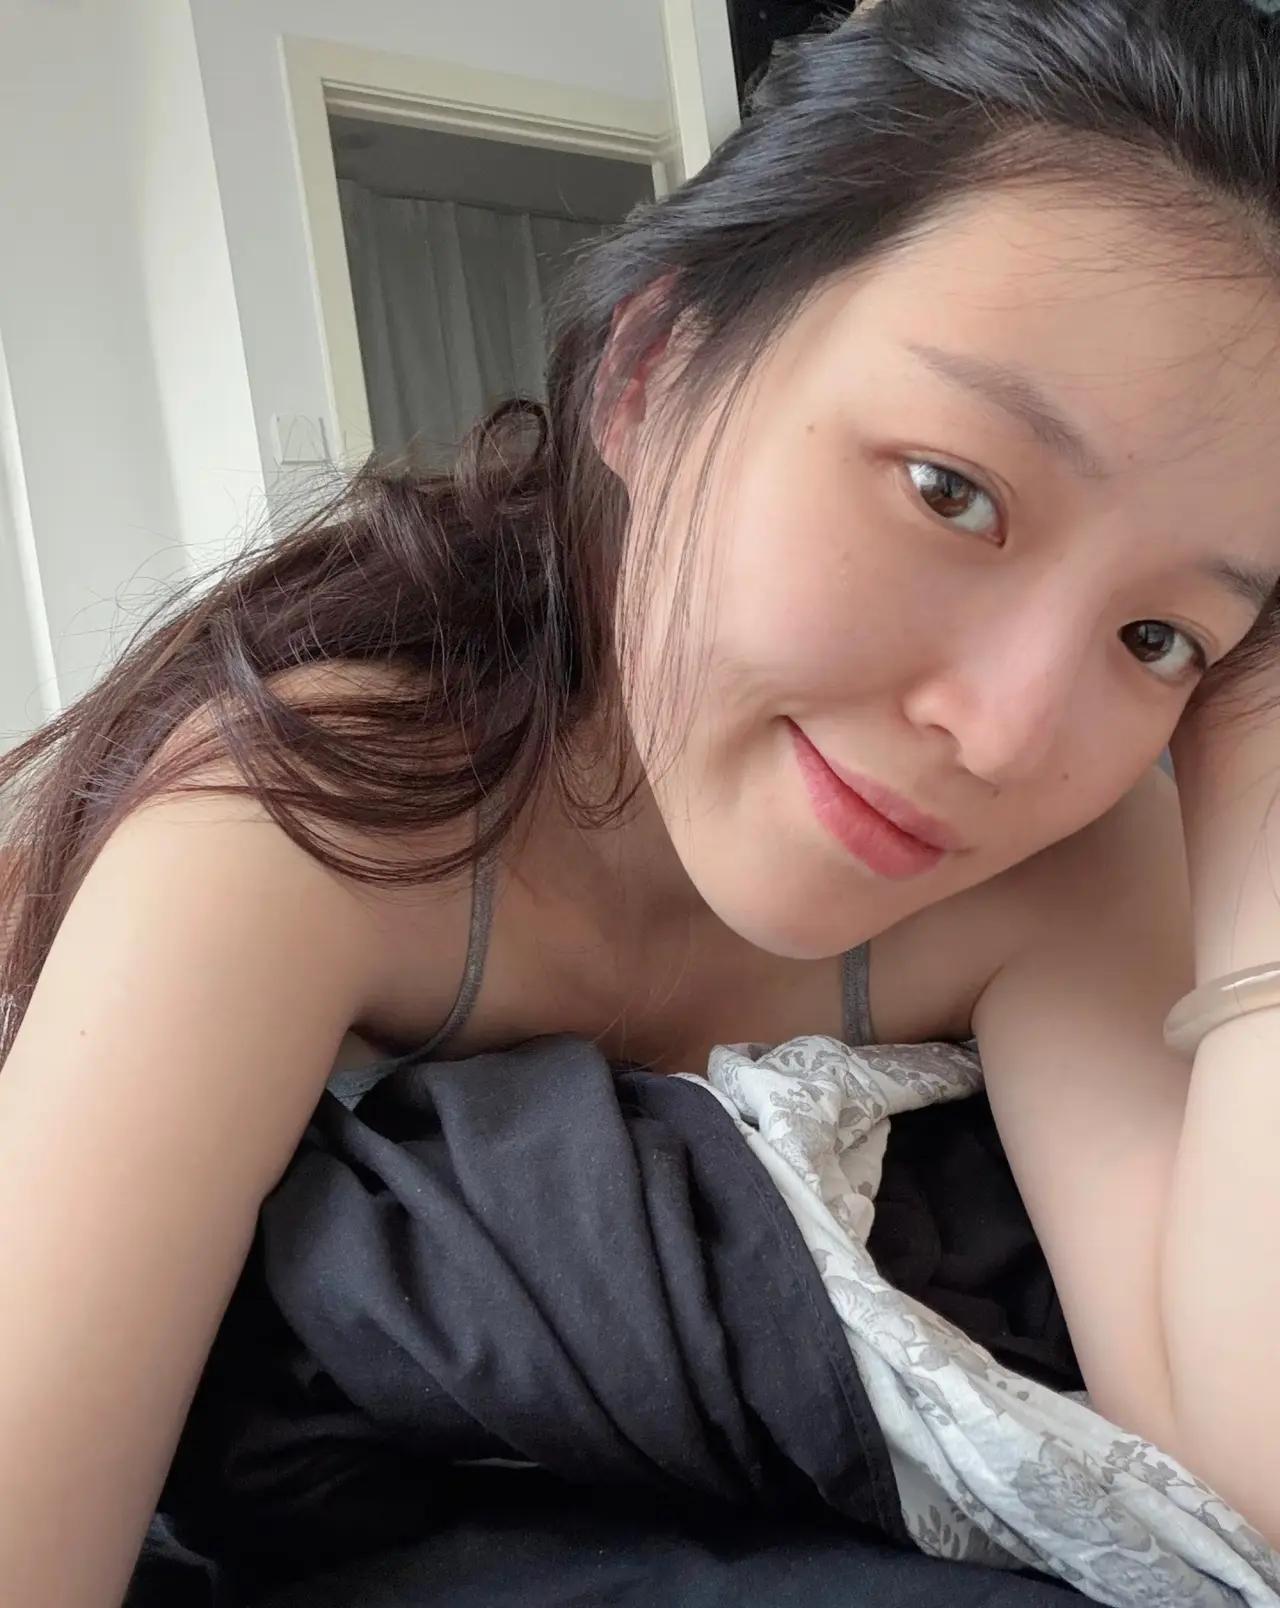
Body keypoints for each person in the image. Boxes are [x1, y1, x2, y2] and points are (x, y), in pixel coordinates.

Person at [6, 0, 1280, 1599]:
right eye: (949, 490)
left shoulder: (1069, 863)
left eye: (1160, 637)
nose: (1009, 735)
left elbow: (1235, 1488)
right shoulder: (305, 808)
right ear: (654, 373)